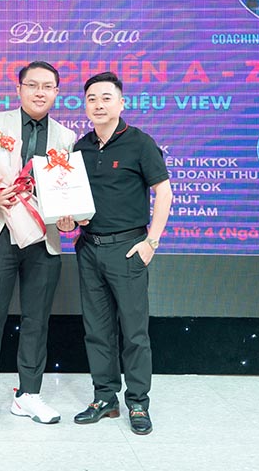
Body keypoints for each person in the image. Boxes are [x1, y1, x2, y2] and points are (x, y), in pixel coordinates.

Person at [0, 61, 77, 434]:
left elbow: (68, 189)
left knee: (36, 319)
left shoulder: (66, 137)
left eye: (48, 86)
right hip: (0, 231)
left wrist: (70, 217)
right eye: (33, 85)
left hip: (43, 236)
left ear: (57, 92)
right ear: (19, 89)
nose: (40, 92)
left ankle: (28, 394)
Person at [56, 71, 172, 436]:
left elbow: (164, 192)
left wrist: (151, 242)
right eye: (92, 98)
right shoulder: (80, 149)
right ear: (85, 105)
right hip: (89, 248)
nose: (99, 104)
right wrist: (66, 222)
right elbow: (73, 202)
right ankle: (104, 397)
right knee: (97, 330)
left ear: (121, 103)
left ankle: (137, 402)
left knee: (134, 332)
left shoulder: (140, 143)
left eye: (106, 98)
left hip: (128, 249)